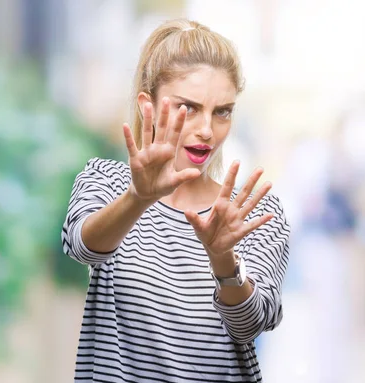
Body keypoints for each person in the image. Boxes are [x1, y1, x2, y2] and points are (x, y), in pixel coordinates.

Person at [61, 18, 290, 382]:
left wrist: (222, 258)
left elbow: (251, 326)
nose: (205, 129)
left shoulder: (252, 212)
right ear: (147, 105)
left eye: (222, 112)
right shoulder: (105, 179)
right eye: (189, 108)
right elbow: (82, 248)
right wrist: (138, 199)